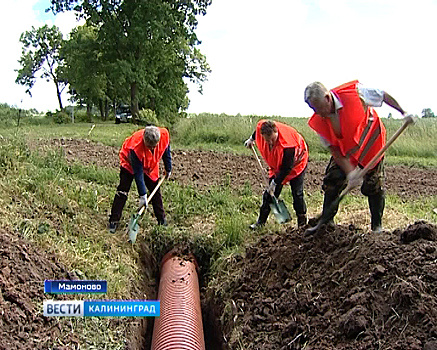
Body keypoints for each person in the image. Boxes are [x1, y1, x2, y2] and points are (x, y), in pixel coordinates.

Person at [304, 80, 408, 235]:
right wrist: (350, 172)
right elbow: (334, 150)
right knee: (333, 179)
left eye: (318, 108)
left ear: (327, 98)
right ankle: (326, 223)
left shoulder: (355, 93)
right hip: (347, 151)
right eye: (313, 109)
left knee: (373, 185)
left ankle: (377, 227)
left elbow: (383, 95)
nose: (318, 113)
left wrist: (403, 112)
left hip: (371, 145)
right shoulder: (319, 121)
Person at [244, 119, 309, 229]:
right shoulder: (261, 127)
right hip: (277, 165)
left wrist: (275, 183)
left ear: (276, 132)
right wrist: (251, 139)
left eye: (272, 139)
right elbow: (257, 131)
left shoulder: (288, 145)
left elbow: (286, 168)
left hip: (297, 164)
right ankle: (260, 223)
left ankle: (302, 223)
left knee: (297, 193)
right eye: (267, 140)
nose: (270, 143)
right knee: (269, 194)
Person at [108, 125, 172, 233]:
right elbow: (138, 173)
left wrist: (168, 168)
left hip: (150, 165)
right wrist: (142, 195)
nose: (152, 149)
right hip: (129, 163)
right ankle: (113, 221)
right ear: (144, 140)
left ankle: (162, 221)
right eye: (149, 146)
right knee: (123, 190)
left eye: (154, 147)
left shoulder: (164, 135)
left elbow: (166, 151)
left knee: (155, 191)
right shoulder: (135, 147)